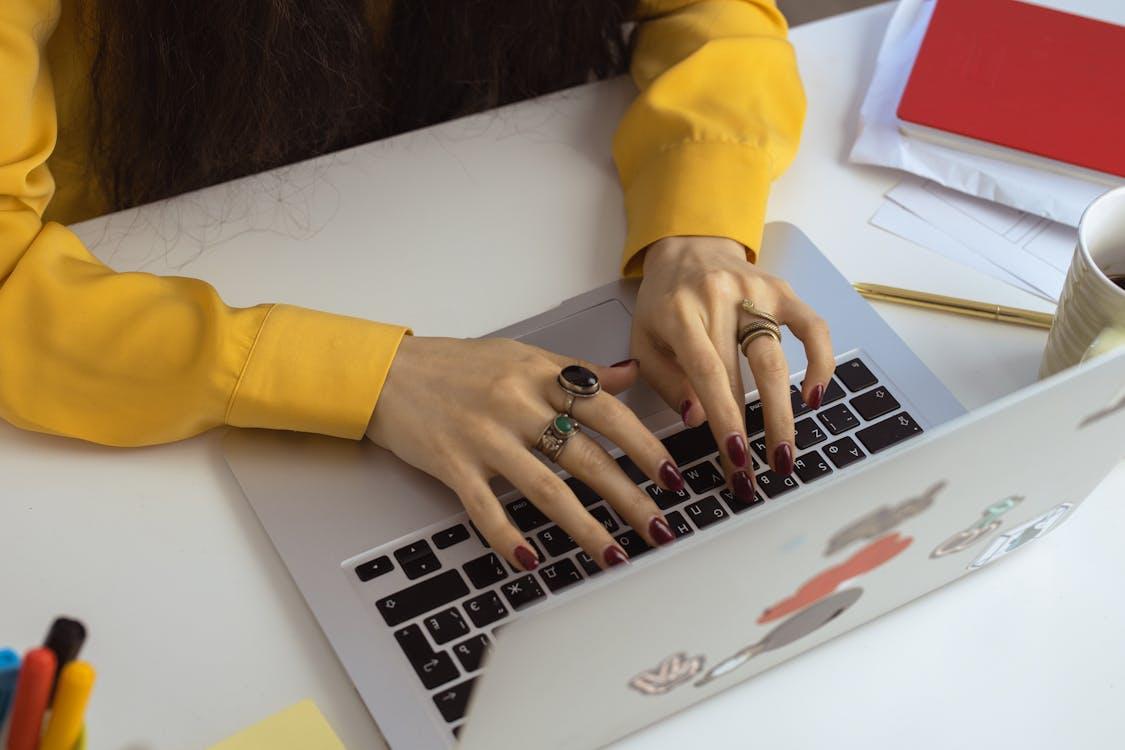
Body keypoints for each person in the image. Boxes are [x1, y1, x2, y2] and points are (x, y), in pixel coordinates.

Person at [0, 0, 832, 573]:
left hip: (481, 217)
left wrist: (697, 231)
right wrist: (378, 377)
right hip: (145, 351)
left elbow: (712, 18)